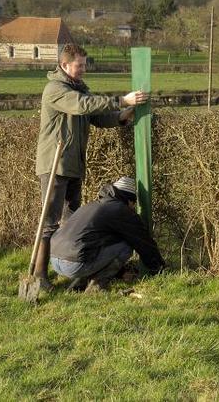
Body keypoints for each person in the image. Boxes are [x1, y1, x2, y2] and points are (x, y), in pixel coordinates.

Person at [34, 44, 148, 288]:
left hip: (73, 164)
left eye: (85, 64)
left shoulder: (80, 88)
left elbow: (95, 116)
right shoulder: (55, 89)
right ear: (65, 65)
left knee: (72, 220)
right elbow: (82, 105)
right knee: (50, 221)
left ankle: (75, 272)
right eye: (79, 65)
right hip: (54, 163)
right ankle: (40, 275)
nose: (84, 68)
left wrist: (121, 115)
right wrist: (119, 100)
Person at [50, 176, 166, 292]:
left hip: (55, 260)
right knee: (126, 246)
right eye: (133, 204)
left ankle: (80, 283)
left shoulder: (93, 205)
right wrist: (158, 267)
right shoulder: (120, 210)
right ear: (129, 200)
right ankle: (97, 286)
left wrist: (120, 273)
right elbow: (142, 241)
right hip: (73, 264)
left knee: (90, 248)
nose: (133, 207)